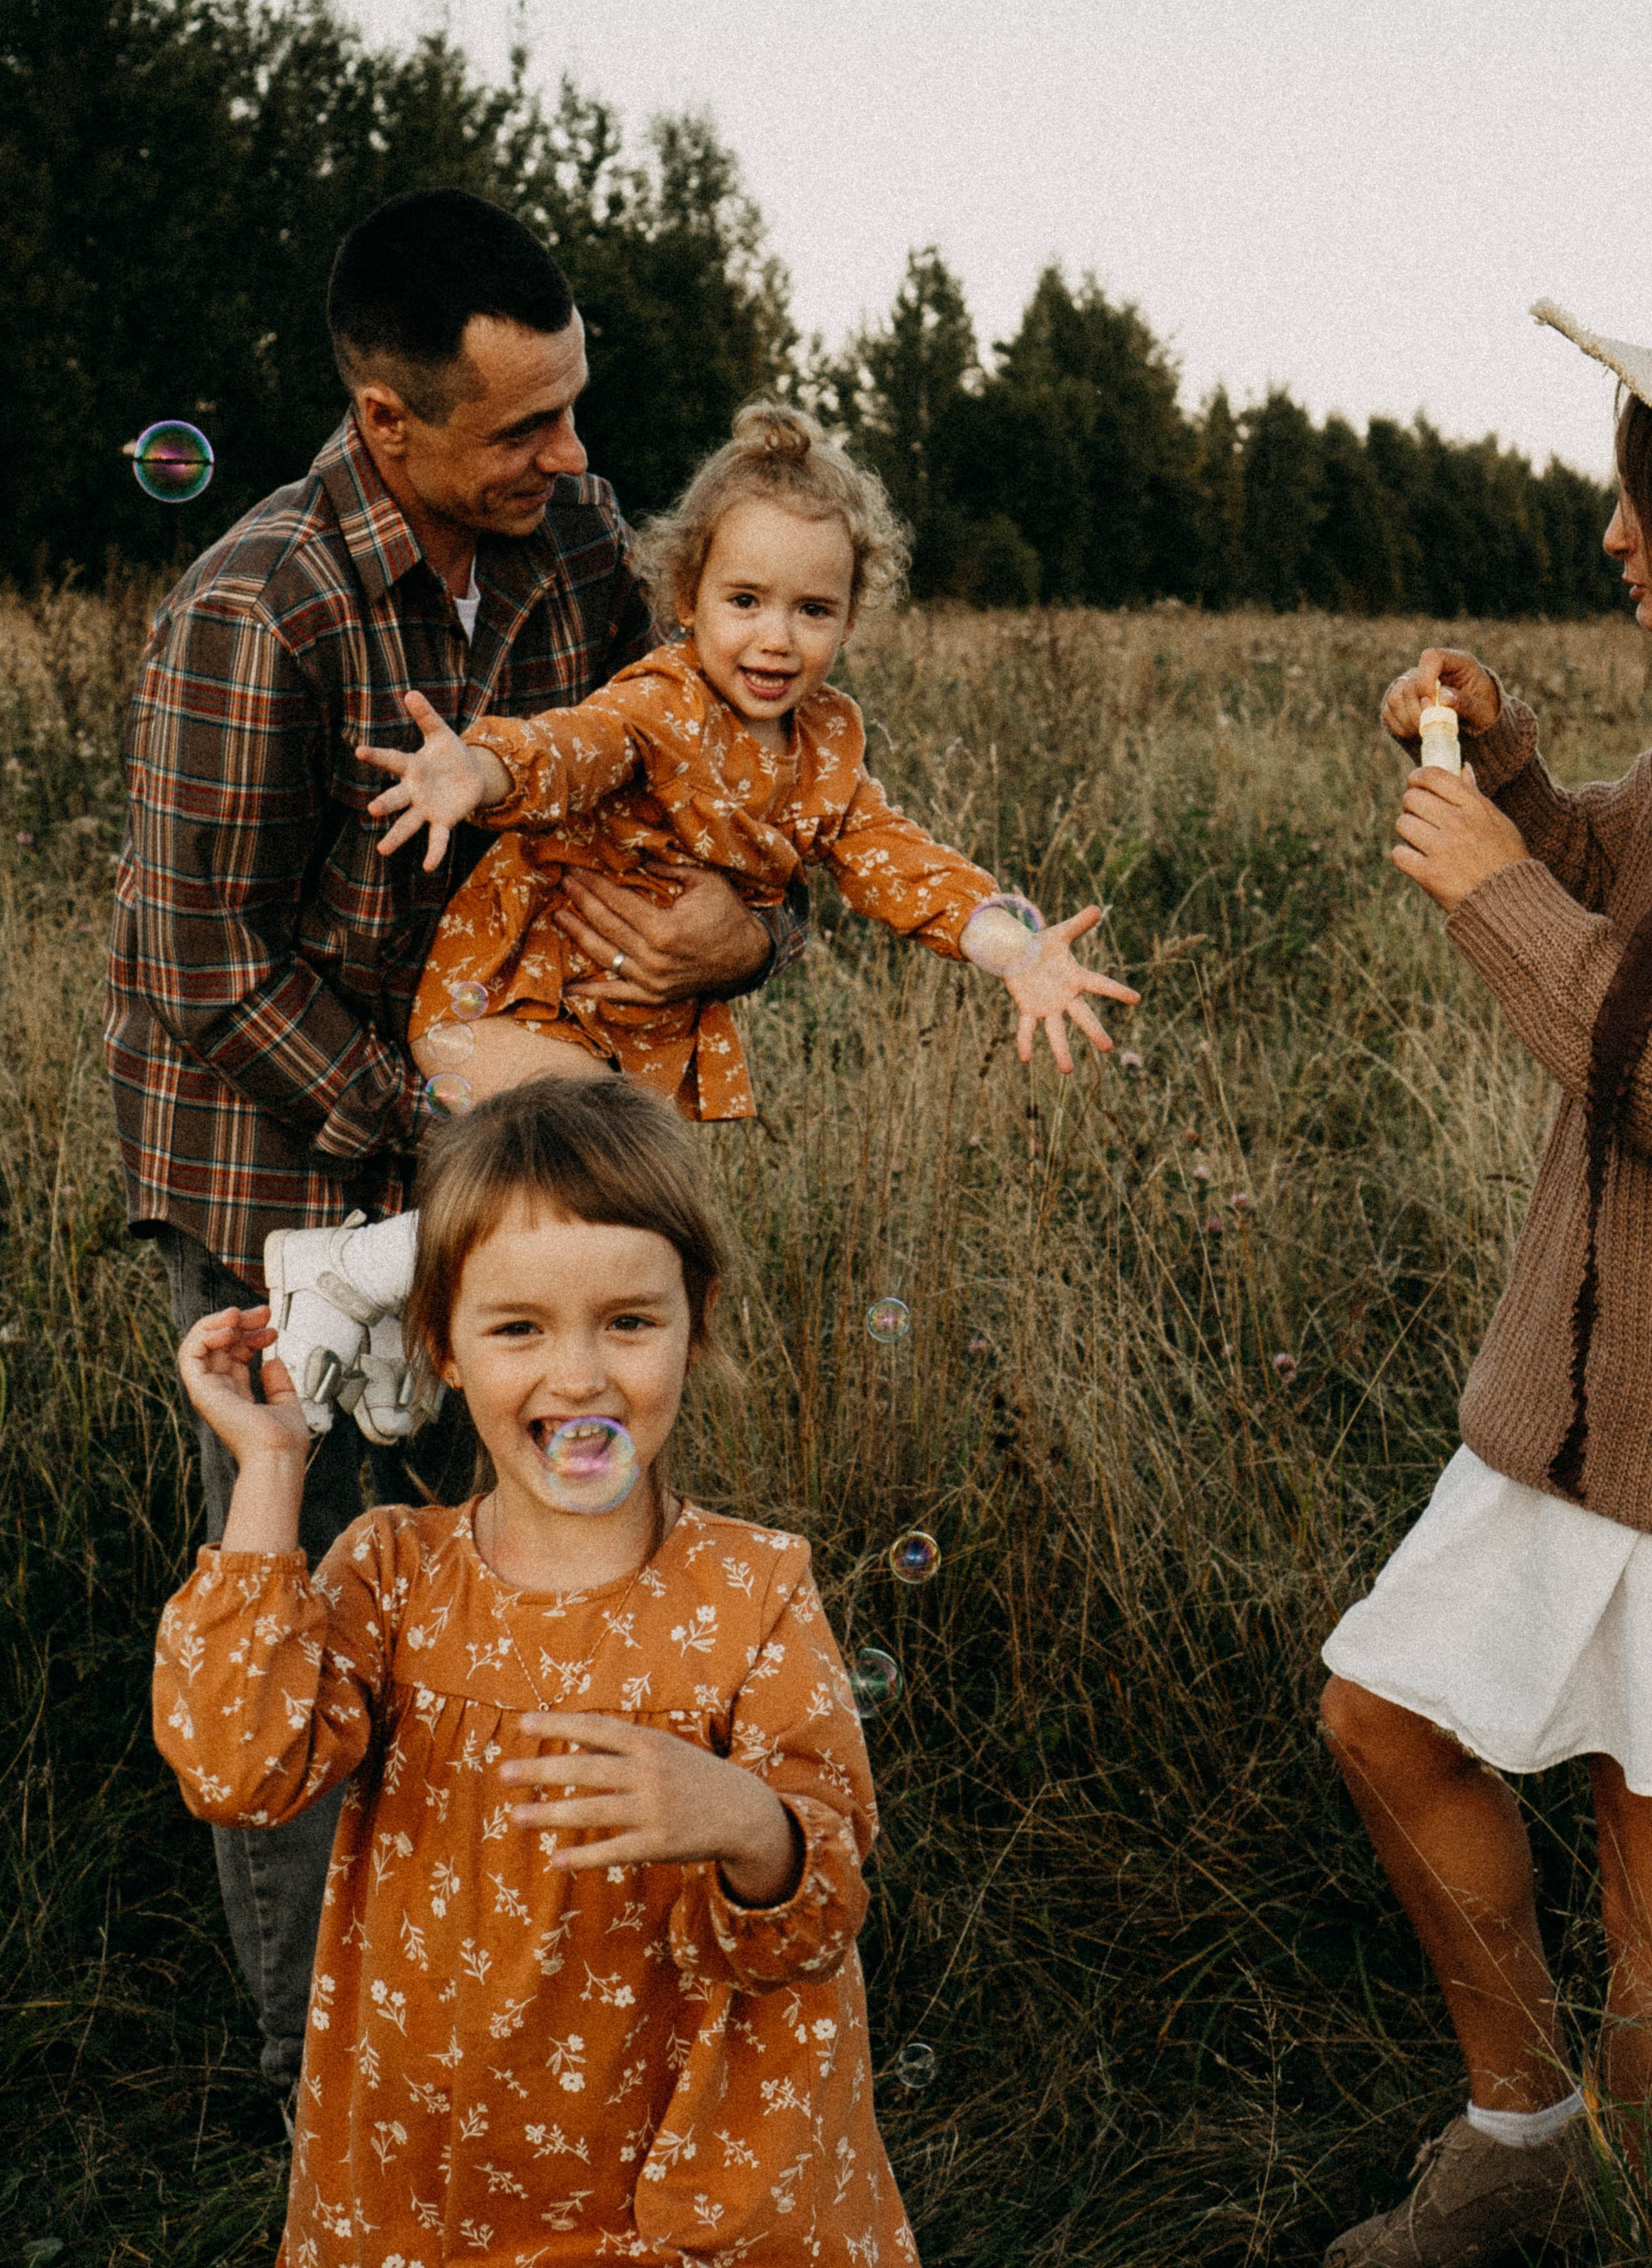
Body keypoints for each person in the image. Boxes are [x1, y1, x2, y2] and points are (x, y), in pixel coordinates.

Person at [106, 186, 800, 2097]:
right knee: (316, 1608)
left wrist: (755, 934)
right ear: (388, 420)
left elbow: (721, 781)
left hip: (519, 1175)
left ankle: (537, 2002)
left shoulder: (578, 540)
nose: (578, 460)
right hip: (284, 1182)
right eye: (524, 426)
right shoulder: (259, 607)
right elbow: (196, 962)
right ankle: (328, 2069)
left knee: (542, 1577)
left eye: (578, 407)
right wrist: (445, 1115)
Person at [152, 1076, 917, 2264]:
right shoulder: (393, 1576)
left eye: (628, 1321)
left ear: (694, 1322)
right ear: (441, 1347)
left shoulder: (755, 1593)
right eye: (518, 1328)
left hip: (682, 2181)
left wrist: (746, 1821)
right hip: (433, 2179)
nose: (577, 1379)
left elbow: (816, 1921)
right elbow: (235, 1767)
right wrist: (269, 1467)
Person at [259, 399, 1140, 1421]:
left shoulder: (826, 749)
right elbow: (575, 747)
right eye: (746, 600)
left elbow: (897, 861)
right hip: (500, 1002)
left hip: (617, 1038)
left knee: (580, 1218)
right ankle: (349, 1272)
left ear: (852, 615)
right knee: (597, 1171)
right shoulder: (664, 701)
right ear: (689, 596)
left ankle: (396, 1332)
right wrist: (480, 774)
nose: (776, 639)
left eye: (813, 610)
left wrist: (1007, 948)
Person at [1315, 298, 1652, 2267]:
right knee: (1384, 1713)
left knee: (1644, 1869)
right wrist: (1511, 769)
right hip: (1570, 1410)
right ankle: (1518, 2137)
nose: (1616, 542)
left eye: (1637, 507)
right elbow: (1622, 869)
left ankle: (1609, 2192)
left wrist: (1496, 901)